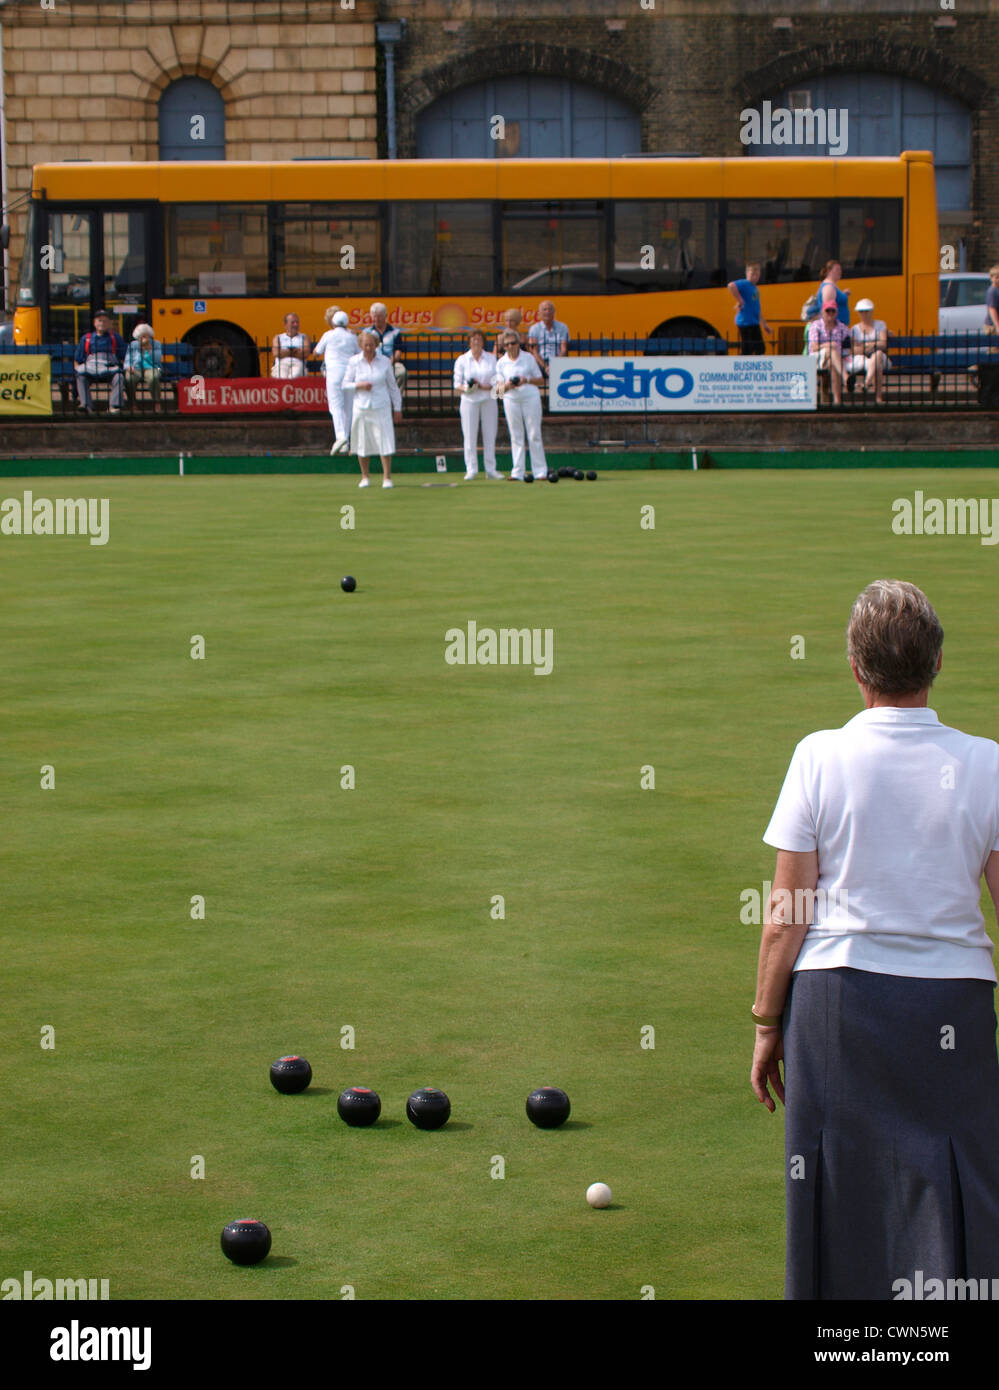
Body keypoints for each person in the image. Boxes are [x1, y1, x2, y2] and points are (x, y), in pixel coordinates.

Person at [752, 579, 999, 1301]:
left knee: (838, 1183)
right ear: (937, 664)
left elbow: (785, 912)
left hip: (835, 1006)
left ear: (855, 669)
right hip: (951, 1007)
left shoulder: (818, 756)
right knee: (960, 1174)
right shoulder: (986, 763)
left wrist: (767, 1022)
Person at [342, 329, 403, 489]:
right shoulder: (354, 361)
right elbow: (345, 384)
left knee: (385, 441)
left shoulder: (384, 362)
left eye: (371, 345)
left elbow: (393, 387)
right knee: (361, 441)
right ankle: (365, 477)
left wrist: (397, 408)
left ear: (376, 345)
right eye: (365, 345)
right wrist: (359, 385)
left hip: (381, 405)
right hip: (361, 406)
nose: (368, 348)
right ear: (361, 345)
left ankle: (387, 478)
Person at [494, 330, 547, 481]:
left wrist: (526, 380)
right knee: (516, 435)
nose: (511, 346)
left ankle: (540, 471)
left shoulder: (528, 358)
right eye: (507, 344)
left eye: (514, 343)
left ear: (519, 344)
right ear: (504, 346)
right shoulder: (501, 363)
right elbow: (497, 391)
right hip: (511, 400)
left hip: (530, 397)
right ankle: (517, 471)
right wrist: (508, 385)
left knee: (534, 434)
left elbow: (540, 380)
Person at [453, 329, 503, 480]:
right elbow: (457, 385)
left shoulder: (492, 359)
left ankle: (491, 469)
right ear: (469, 342)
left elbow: (499, 382)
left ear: (483, 342)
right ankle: (471, 469)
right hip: (469, 400)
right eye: (473, 339)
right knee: (469, 436)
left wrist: (486, 387)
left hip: (488, 399)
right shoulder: (462, 360)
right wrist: (468, 388)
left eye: (479, 339)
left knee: (490, 434)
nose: (476, 342)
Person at [313, 307, 359, 454]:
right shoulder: (352, 336)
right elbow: (359, 353)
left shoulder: (328, 335)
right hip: (349, 374)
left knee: (336, 406)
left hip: (334, 373)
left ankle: (341, 437)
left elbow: (316, 353)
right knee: (348, 408)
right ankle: (346, 441)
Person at [74, 310, 125, 414]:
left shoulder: (115, 338)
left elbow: (124, 356)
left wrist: (125, 367)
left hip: (110, 368)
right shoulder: (86, 338)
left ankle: (114, 406)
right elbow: (77, 359)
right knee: (81, 377)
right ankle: (86, 405)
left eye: (105, 321)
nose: (102, 323)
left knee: (119, 377)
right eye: (99, 320)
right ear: (94, 323)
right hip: (90, 369)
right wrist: (77, 369)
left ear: (109, 323)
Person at [846, 298, 889, 403]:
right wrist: (874, 345)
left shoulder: (880, 324)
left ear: (872, 311)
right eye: (861, 311)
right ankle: (878, 396)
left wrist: (867, 345)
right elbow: (854, 350)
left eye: (867, 311)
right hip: (865, 360)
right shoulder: (854, 329)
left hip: (881, 359)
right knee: (876, 363)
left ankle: (867, 382)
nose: (864, 314)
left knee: (878, 354)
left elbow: (883, 344)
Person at [807, 304, 850, 405]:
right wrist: (829, 345)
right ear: (822, 312)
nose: (830, 313)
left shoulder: (842, 327)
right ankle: (846, 377)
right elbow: (814, 347)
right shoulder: (816, 325)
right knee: (832, 350)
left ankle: (836, 400)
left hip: (835, 359)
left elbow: (851, 342)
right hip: (817, 356)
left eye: (833, 311)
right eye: (828, 311)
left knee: (832, 363)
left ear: (836, 312)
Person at [727, 263, 770, 355]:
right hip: (745, 322)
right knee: (748, 349)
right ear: (747, 274)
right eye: (752, 275)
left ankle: (754, 366)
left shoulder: (755, 288)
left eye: (757, 275)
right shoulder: (745, 283)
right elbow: (731, 286)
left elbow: (757, 308)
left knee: (760, 348)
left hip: (754, 322)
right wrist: (740, 300)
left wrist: (764, 324)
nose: (755, 277)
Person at [123, 323, 163, 411]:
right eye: (141, 336)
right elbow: (128, 358)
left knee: (153, 377)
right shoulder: (133, 345)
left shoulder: (156, 344)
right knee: (129, 378)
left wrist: (149, 350)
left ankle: (157, 401)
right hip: (136, 367)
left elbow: (158, 359)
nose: (144, 338)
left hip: (153, 367)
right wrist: (128, 367)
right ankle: (132, 402)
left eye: (146, 335)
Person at [527, 300, 569, 378]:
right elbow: (534, 351)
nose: (547, 312)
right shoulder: (534, 329)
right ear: (539, 313)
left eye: (550, 309)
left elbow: (563, 349)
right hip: (540, 362)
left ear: (554, 312)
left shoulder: (562, 327)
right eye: (545, 309)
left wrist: (554, 365)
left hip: (558, 360)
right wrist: (545, 367)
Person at [369, 303, 406, 389]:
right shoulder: (367, 332)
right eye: (374, 316)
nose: (376, 319)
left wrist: (393, 359)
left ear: (385, 316)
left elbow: (398, 350)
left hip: (391, 363)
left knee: (401, 372)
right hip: (373, 363)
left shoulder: (395, 332)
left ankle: (395, 399)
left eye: (379, 316)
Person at [271, 312, 312, 378]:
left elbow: (306, 354)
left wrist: (285, 351)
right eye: (292, 322)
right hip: (282, 364)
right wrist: (296, 351)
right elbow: (276, 353)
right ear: (285, 324)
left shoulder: (305, 337)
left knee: (294, 376)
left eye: (297, 322)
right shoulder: (278, 337)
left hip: (298, 364)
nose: (295, 325)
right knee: (282, 376)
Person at [983, 265, 999, 334]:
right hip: (992, 326)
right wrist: (997, 326)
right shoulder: (992, 291)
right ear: (991, 278)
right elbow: (992, 309)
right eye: (997, 277)